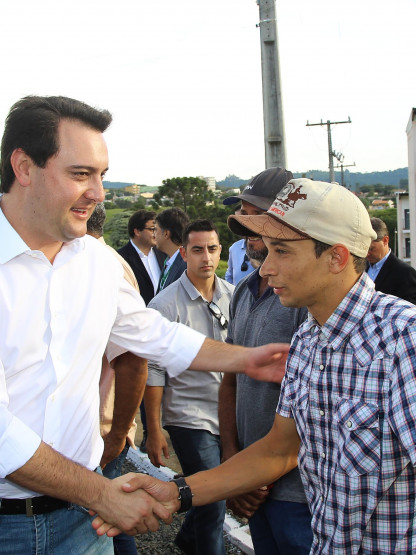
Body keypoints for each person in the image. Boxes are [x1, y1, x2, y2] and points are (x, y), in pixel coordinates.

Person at [0, 95, 288, 554]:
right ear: (23, 168)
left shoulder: (96, 261)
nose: (99, 193)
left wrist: (248, 360)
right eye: (81, 174)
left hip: (82, 524)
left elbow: (152, 334)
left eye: (101, 175)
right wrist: (102, 494)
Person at [109, 179, 416, 554]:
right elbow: (279, 450)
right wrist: (178, 492)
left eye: (282, 251)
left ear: (336, 257)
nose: (266, 268)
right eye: (268, 250)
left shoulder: (405, 338)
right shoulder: (308, 339)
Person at [218, 167, 313, 555]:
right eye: (243, 214)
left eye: (257, 215)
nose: (246, 226)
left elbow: (313, 401)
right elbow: (230, 379)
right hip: (253, 483)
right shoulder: (242, 291)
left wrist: (259, 477)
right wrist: (233, 462)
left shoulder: (302, 297)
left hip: (298, 492)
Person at [145, 219, 233, 555]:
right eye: (197, 250)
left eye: (212, 249)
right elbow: (153, 370)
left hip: (228, 414)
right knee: (213, 496)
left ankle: (187, 538)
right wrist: (154, 429)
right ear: (183, 253)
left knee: (210, 492)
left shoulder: (234, 297)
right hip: (188, 415)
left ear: (220, 251)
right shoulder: (164, 306)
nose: (205, 257)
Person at [87, 202, 145, 555]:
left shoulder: (103, 266)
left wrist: (116, 435)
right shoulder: (95, 261)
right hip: (100, 427)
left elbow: (134, 361)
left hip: (102, 429)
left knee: (107, 523)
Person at [366, 217, 416, 306]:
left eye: (371, 249)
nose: (367, 254)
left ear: (385, 240)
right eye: (364, 249)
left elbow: (409, 309)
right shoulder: (359, 266)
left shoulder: (405, 273)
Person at [117, 209, 161, 304]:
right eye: (152, 229)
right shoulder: (120, 259)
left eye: (157, 229)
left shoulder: (163, 253)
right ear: (137, 231)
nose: (156, 234)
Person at [154, 207, 189, 293]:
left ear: (166, 234)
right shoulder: (169, 260)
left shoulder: (187, 265)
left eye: (156, 230)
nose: (153, 235)